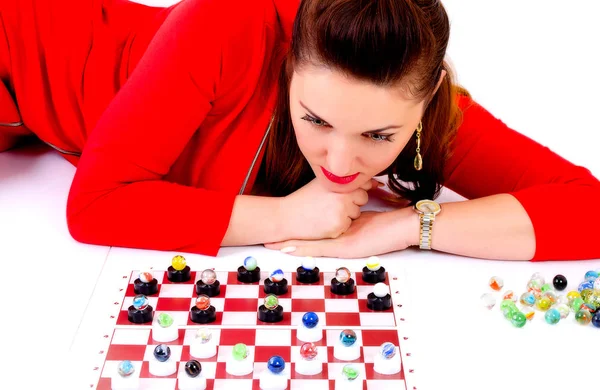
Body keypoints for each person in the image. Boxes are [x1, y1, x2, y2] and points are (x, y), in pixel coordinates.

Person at [1, 0, 598, 262]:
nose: (340, 160)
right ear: (289, 64)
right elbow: (97, 208)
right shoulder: (224, 24)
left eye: (379, 136)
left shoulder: (429, 107)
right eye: (315, 119)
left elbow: (587, 210)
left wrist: (401, 227)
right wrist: (286, 217)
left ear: (428, 99)